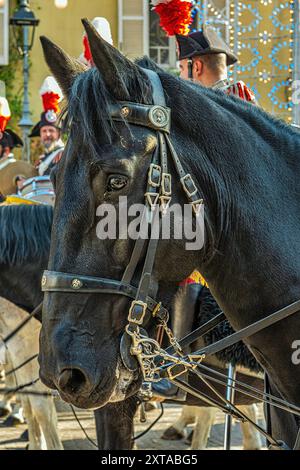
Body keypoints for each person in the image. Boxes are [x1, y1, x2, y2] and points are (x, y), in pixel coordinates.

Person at [176, 25, 257, 104]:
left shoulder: (207, 105)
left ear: (197, 67)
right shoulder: (241, 97)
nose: (180, 76)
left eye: (182, 68)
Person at [28, 76, 65, 177]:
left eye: (51, 130)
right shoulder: (44, 158)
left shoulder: (64, 155)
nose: (47, 134)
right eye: (44, 131)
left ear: (59, 133)